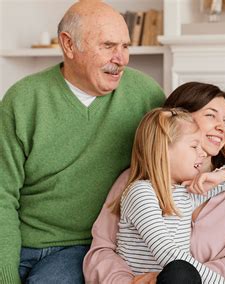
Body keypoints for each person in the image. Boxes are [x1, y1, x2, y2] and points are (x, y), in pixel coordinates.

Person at [0, 1, 165, 283]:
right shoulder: (23, 99)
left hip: (83, 246)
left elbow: (177, 165)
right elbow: (2, 194)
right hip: (18, 239)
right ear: (69, 45)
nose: (122, 58)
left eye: (125, 46)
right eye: (109, 45)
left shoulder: (146, 95)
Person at [83, 82, 225, 284]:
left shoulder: (192, 191)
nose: (222, 127)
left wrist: (222, 176)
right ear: (180, 119)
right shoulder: (137, 186)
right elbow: (105, 251)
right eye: (210, 115)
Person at [113, 107, 225, 283]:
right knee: (180, 271)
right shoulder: (140, 193)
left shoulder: (187, 193)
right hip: (157, 279)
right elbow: (168, 253)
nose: (203, 153)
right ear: (164, 150)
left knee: (183, 273)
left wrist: (219, 176)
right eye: (194, 146)